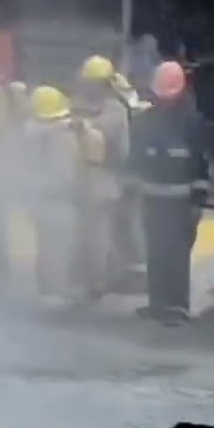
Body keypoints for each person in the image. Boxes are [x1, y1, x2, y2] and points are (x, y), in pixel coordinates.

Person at [127, 61, 209, 325]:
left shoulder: (193, 123)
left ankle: (176, 307)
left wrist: (197, 202)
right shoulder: (143, 122)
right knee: (155, 252)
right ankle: (157, 304)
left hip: (181, 203)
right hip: (152, 200)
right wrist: (131, 189)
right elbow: (135, 160)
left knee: (176, 254)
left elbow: (200, 165)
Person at [24, 85, 108, 306]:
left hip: (47, 200)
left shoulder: (35, 133)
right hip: (65, 199)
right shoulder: (70, 134)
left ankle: (52, 289)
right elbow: (71, 173)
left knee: (50, 246)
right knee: (66, 244)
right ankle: (70, 289)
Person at [73, 55, 130, 290]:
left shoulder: (114, 109)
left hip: (106, 177)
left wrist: (81, 125)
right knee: (90, 231)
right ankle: (99, 275)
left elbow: (107, 137)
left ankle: (98, 282)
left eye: (93, 82)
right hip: (85, 178)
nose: (89, 87)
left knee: (99, 234)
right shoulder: (82, 104)